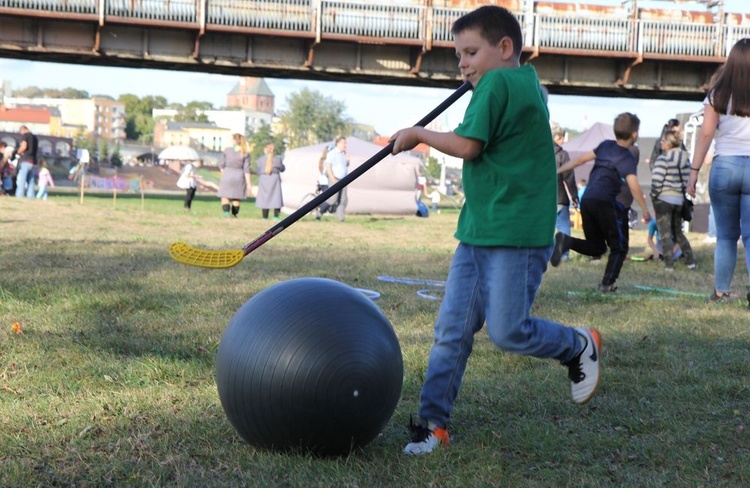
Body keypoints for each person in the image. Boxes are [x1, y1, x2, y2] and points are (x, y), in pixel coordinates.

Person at [389, 5, 601, 455]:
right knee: (452, 329)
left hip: (516, 234)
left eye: (471, 52)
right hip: (479, 229)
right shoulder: (522, 83)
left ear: (505, 48)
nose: (463, 64)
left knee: (509, 331)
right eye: (458, 56)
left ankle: (577, 344)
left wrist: (419, 133)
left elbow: (468, 145)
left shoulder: (501, 82)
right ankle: (433, 425)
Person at [551, 113, 652, 293]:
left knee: (596, 246)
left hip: (588, 200)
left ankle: (565, 241)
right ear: (635, 134)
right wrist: (645, 210)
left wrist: (558, 170)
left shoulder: (605, 146)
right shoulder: (627, 156)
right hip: (606, 203)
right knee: (619, 247)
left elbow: (580, 160)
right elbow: (634, 185)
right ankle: (607, 285)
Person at [686, 38, 750, 306]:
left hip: (724, 166)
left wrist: (694, 171)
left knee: (725, 235)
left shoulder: (717, 94)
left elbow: (706, 134)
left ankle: (721, 292)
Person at [650, 129, 696, 271]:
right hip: (678, 200)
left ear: (668, 144)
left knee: (665, 233)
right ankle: (690, 262)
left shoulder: (663, 159)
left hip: (663, 199)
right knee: (678, 232)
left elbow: (657, 181)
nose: (661, 143)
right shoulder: (686, 160)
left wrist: (654, 195)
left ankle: (669, 264)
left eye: (663, 141)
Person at [551, 121, 578, 262]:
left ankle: (546, 254)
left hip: (542, 199)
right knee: (563, 228)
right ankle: (564, 255)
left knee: (546, 230)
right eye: (561, 137)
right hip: (560, 198)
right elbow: (569, 177)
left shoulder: (538, 152)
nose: (562, 140)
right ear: (556, 137)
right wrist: (574, 196)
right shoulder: (562, 155)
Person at [217, 133, 252, 218]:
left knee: (225, 195)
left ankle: (226, 213)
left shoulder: (227, 150)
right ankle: (234, 214)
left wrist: (224, 174)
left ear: (234, 140)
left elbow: (221, 164)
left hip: (227, 174)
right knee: (236, 197)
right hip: (239, 176)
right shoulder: (245, 153)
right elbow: (246, 169)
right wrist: (249, 184)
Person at [317, 137, 350, 222]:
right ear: (338, 144)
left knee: (343, 200)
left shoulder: (343, 154)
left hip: (343, 180)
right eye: (344, 143)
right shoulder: (332, 153)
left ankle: (341, 218)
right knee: (332, 199)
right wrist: (332, 178)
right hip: (334, 179)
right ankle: (320, 212)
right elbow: (328, 166)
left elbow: (343, 167)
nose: (345, 145)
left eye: (346, 143)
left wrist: (348, 161)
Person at [255, 141, 285, 220]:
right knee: (276, 198)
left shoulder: (260, 160)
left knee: (264, 198)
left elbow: (258, 170)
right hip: (275, 180)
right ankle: (276, 216)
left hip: (264, 179)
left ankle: (265, 217)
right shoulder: (277, 160)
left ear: (265, 149)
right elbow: (282, 168)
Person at [15, 125, 39, 198]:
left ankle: (19, 194)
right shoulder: (35, 137)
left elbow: (24, 146)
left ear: (23, 130)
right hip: (33, 161)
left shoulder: (25, 136)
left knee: (22, 179)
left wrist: (17, 152)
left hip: (26, 160)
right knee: (31, 180)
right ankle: (31, 195)